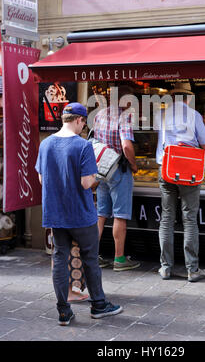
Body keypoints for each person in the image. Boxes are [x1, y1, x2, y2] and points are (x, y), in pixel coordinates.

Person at [35, 102, 123, 325]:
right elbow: (86, 183)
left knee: (59, 258)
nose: (83, 126)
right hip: (81, 214)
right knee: (90, 260)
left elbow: (42, 180)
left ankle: (64, 311)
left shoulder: (45, 145)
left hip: (55, 214)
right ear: (78, 120)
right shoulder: (83, 146)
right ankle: (99, 305)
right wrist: (97, 175)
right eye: (84, 122)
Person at [155, 84, 205, 282]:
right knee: (189, 218)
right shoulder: (194, 115)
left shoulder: (161, 115)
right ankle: (192, 269)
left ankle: (165, 268)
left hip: (166, 168)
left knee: (167, 218)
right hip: (187, 171)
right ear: (188, 98)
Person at [93, 86, 140, 271]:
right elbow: (126, 146)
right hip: (119, 169)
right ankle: (119, 259)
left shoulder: (99, 115)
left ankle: (93, 255)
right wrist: (134, 165)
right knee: (120, 214)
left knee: (101, 213)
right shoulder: (124, 116)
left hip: (101, 169)